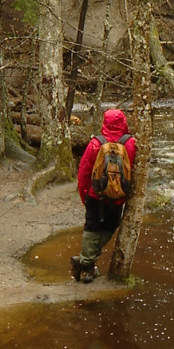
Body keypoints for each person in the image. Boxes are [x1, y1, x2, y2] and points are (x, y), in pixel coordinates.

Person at [71, 108, 137, 283]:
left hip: (95, 195)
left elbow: (84, 172)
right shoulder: (130, 143)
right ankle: (87, 262)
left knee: (91, 228)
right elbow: (134, 173)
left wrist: (85, 195)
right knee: (110, 227)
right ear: (123, 122)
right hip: (118, 197)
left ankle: (85, 266)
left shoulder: (96, 143)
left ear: (104, 122)